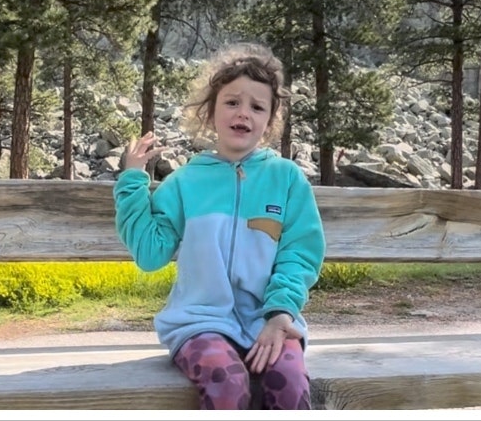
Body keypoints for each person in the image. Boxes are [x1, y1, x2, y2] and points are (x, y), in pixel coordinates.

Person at [115, 44, 326, 410]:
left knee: (289, 382)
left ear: (270, 118)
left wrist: (280, 314)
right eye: (232, 102)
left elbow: (300, 254)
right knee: (226, 381)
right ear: (211, 110)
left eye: (257, 106)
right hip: (200, 325)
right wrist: (133, 181)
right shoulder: (185, 182)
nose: (243, 113)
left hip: (271, 319)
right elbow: (150, 253)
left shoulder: (287, 179)